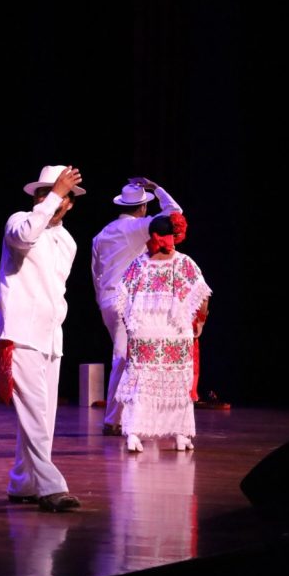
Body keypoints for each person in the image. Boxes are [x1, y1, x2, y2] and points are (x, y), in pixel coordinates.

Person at [0, 165, 85, 513]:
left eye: (59, 195)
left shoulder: (69, 241)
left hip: (50, 335)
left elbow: (55, 289)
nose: (51, 199)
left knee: (44, 417)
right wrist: (55, 195)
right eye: (44, 193)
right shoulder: (20, 222)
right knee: (33, 413)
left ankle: (23, 481)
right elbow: (26, 236)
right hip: (20, 332)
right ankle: (50, 486)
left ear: (70, 204)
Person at [91, 178, 183, 435]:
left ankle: (123, 417)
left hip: (108, 301)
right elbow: (176, 215)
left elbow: (96, 273)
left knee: (130, 357)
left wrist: (101, 302)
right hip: (126, 301)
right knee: (124, 357)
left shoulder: (101, 235)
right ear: (142, 207)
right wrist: (156, 188)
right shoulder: (137, 227)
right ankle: (113, 420)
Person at [117, 214, 210, 452]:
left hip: (145, 332)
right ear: (174, 236)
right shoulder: (184, 263)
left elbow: (122, 297)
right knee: (178, 383)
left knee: (141, 382)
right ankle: (179, 435)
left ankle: (134, 434)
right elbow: (202, 296)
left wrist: (131, 328)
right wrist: (200, 322)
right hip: (175, 332)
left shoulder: (139, 263)